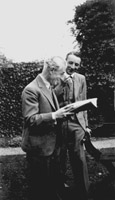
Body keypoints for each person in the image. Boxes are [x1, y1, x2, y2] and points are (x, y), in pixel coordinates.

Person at [21, 56, 73, 200]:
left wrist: (62, 112)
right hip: (39, 150)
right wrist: (54, 115)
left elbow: (49, 107)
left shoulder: (48, 86)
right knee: (41, 189)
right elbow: (30, 120)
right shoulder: (31, 89)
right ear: (51, 70)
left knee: (52, 187)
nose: (64, 76)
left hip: (51, 147)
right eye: (61, 73)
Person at [54, 51, 91, 200]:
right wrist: (62, 83)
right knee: (59, 158)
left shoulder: (81, 79)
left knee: (79, 159)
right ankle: (60, 189)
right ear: (65, 62)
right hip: (59, 124)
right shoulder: (55, 77)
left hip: (76, 124)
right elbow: (51, 98)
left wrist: (86, 126)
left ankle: (84, 193)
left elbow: (84, 103)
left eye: (76, 64)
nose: (73, 66)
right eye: (70, 63)